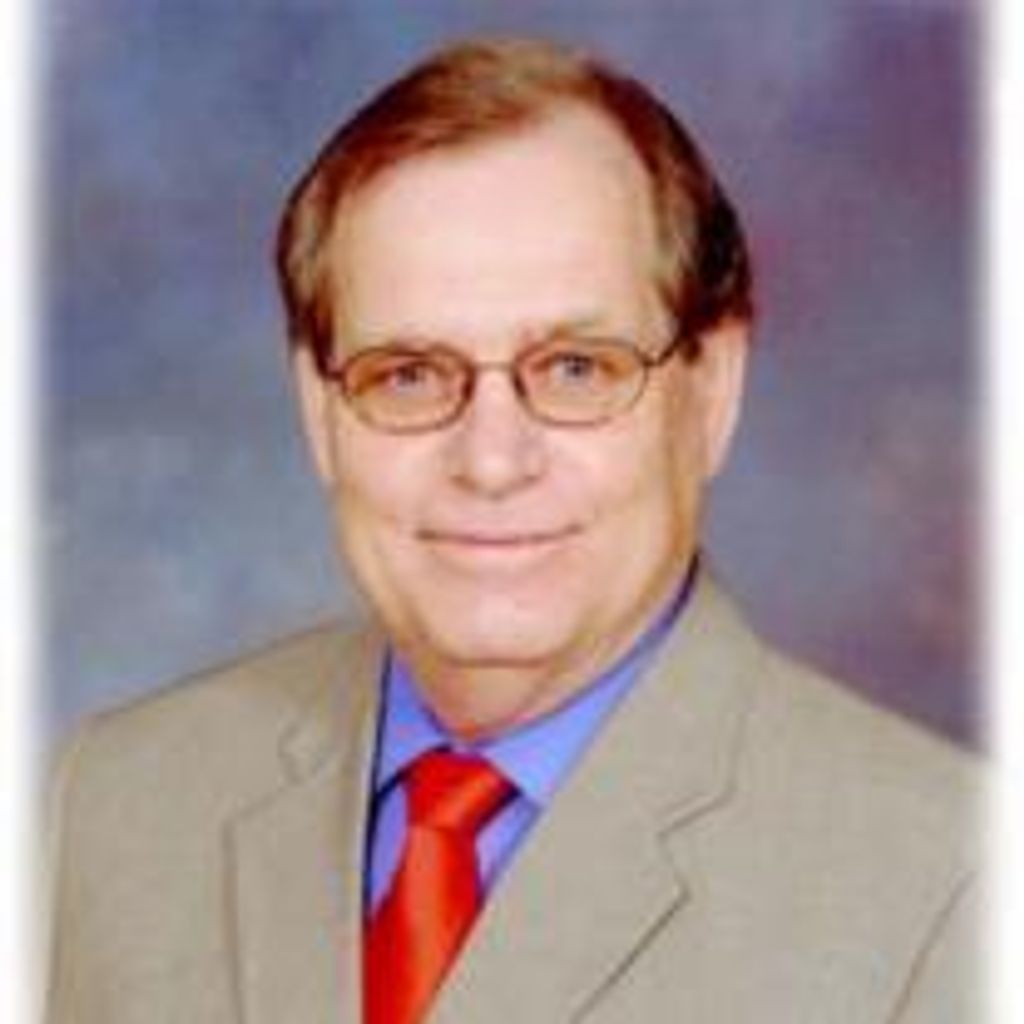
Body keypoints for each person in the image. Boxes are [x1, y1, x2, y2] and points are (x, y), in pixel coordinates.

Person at [44, 36, 979, 1023]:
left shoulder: (953, 889)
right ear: (320, 410)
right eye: (408, 374)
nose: (492, 462)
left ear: (711, 388)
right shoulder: (109, 804)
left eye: (577, 368)